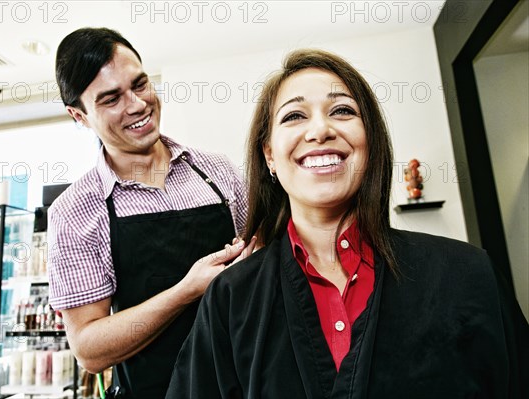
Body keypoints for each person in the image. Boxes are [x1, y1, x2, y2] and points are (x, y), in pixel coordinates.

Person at [166, 49, 528, 398]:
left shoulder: (468, 275)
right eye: (294, 116)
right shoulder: (231, 299)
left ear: (369, 142)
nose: (320, 129)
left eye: (341, 111)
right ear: (270, 155)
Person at [47, 27, 255, 399]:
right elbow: (89, 349)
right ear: (79, 115)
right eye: (111, 99)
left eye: (140, 85)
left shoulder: (219, 174)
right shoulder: (76, 211)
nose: (137, 105)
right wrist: (186, 292)